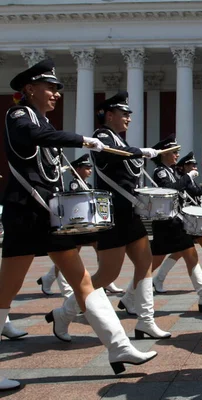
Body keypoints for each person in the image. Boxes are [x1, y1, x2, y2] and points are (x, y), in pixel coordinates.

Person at [0, 60, 156, 390]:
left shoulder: (41, 118)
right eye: (50, 87)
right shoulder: (19, 116)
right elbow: (36, 137)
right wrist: (84, 140)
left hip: (48, 214)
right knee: (7, 289)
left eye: (57, 88)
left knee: (83, 279)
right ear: (30, 89)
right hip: (24, 213)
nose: (56, 93)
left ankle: (119, 346)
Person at [47, 91, 171, 341]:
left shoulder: (119, 139)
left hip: (130, 211)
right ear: (110, 115)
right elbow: (114, 154)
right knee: (107, 275)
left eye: (129, 115)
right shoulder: (102, 136)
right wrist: (141, 152)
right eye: (124, 114)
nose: (128, 119)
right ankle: (65, 313)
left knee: (145, 263)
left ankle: (146, 320)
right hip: (113, 212)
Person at [119, 140, 202, 313]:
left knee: (152, 263)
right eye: (174, 152)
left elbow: (190, 190)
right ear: (164, 154)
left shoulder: (172, 171)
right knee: (189, 256)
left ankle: (129, 296)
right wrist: (188, 177)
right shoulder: (160, 172)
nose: (177, 155)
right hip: (168, 223)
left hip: (172, 222)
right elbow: (170, 190)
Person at [36, 154, 124, 297]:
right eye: (86, 168)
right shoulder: (75, 184)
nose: (89, 170)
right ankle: (51, 280)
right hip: (79, 223)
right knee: (69, 255)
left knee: (92, 249)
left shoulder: (87, 185)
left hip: (87, 224)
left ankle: (105, 279)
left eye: (90, 167)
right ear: (77, 169)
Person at [152, 151, 202, 292]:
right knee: (176, 253)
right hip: (185, 221)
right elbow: (196, 191)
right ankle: (148, 282)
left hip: (192, 220)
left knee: (197, 249)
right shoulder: (183, 178)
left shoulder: (184, 178)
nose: (194, 166)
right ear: (182, 167)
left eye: (195, 164)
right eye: (190, 164)